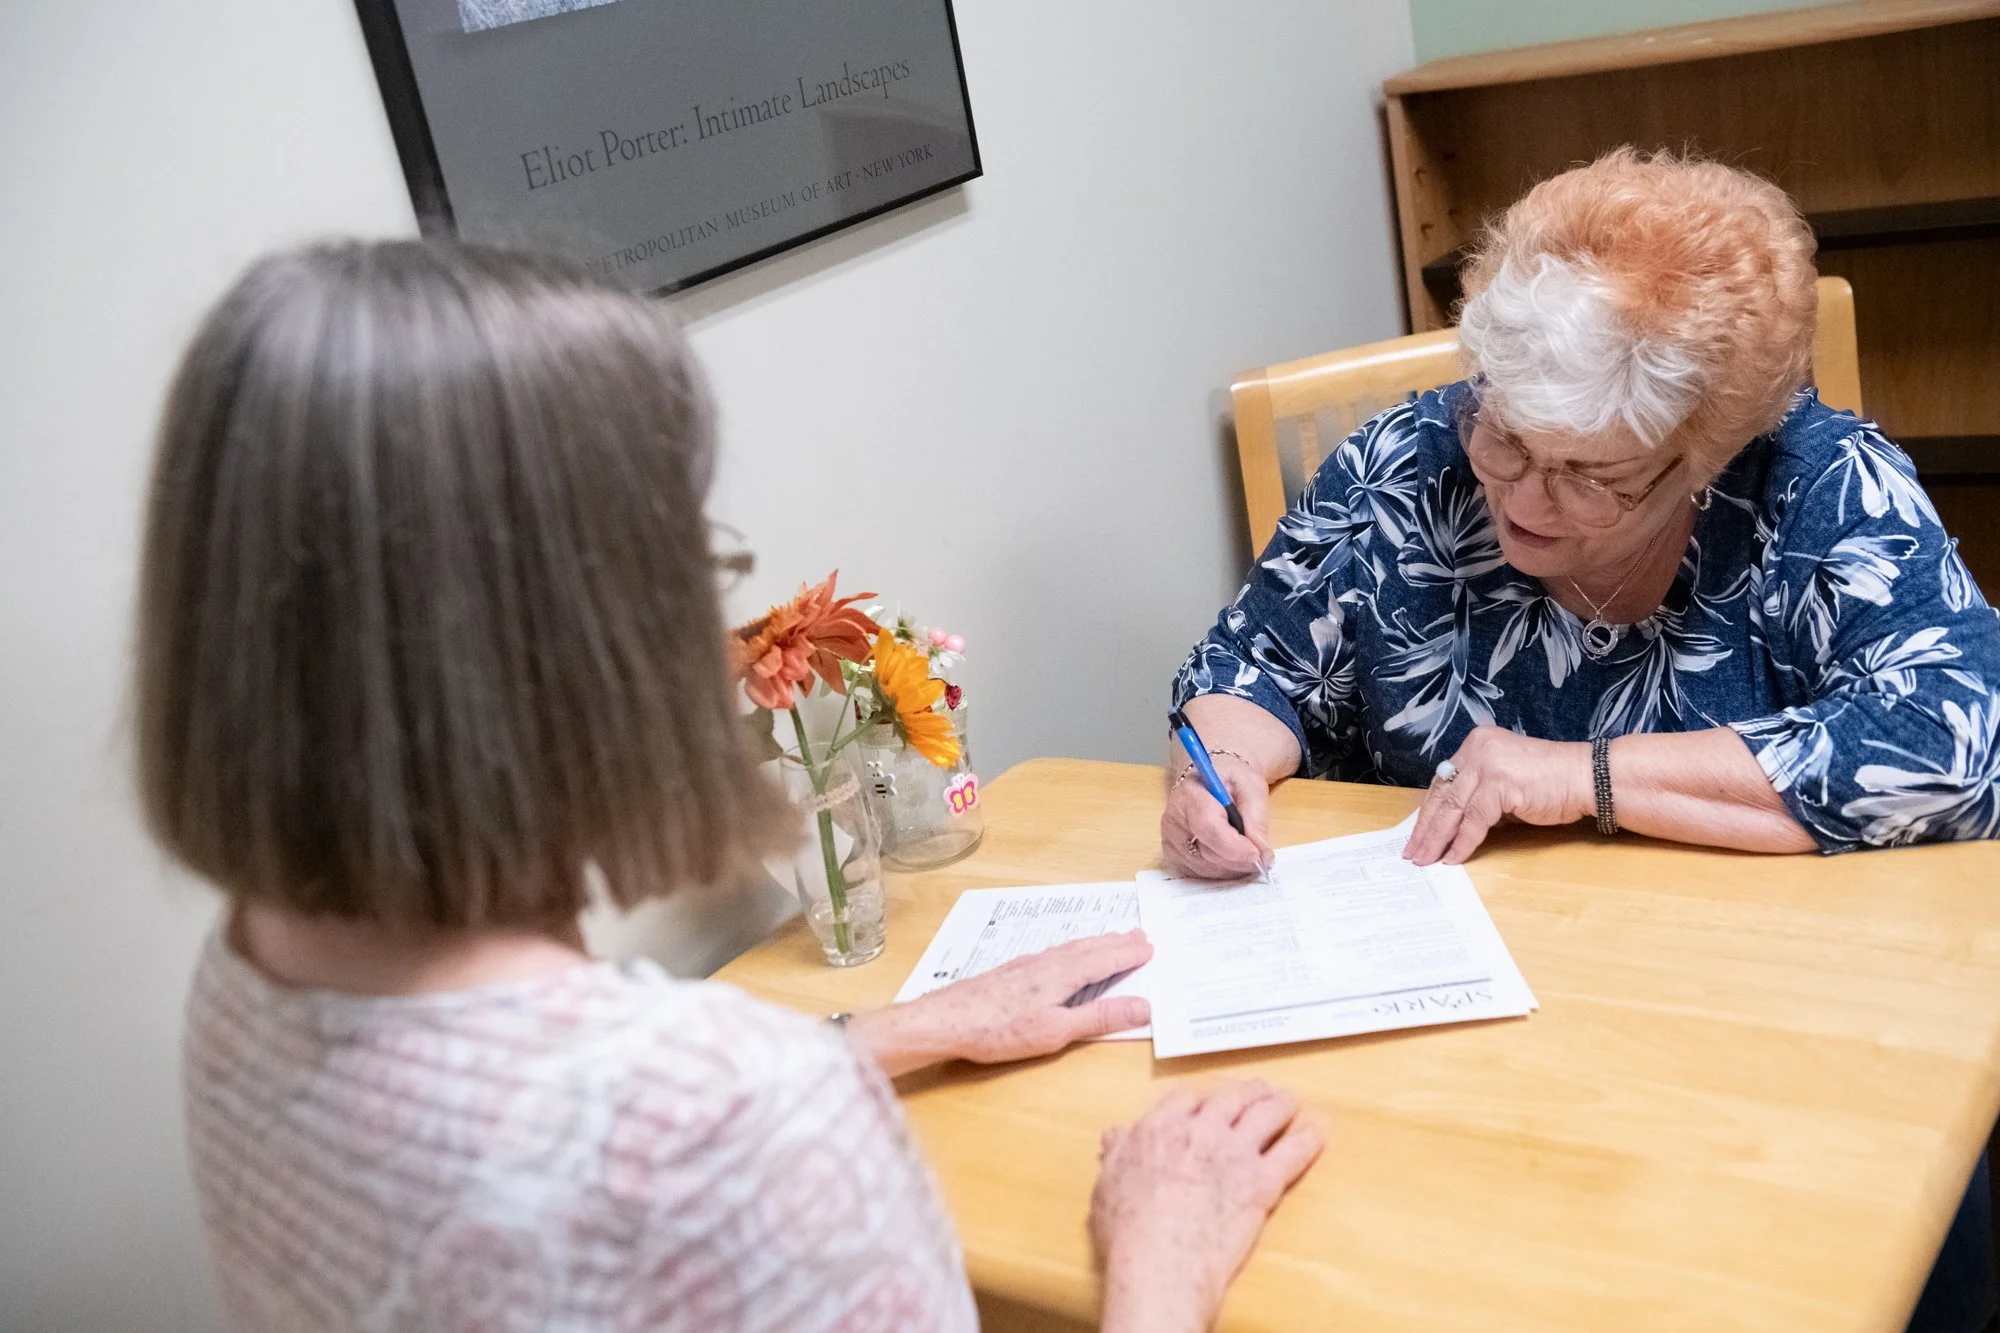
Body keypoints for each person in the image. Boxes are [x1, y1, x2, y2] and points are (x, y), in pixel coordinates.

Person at [139, 239, 1323, 1332]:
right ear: (578, 636)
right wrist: (1163, 1260)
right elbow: (680, 1148)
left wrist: (893, 1033)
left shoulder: (249, 974)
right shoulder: (749, 1129)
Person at [1163, 148, 2000, 1333]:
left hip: (1762, 1033)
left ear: (1700, 456)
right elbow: (1249, 666)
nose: (1521, 497)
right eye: (1503, 438)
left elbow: (1951, 741)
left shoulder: (1816, 482)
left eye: (1588, 474)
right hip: (1456, 1038)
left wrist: (1578, 775)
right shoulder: (1405, 464)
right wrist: (1217, 768)